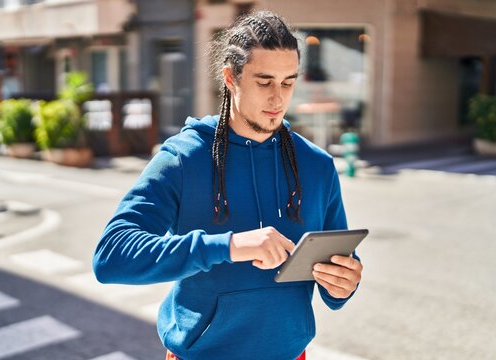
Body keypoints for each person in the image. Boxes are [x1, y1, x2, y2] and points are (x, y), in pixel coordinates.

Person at [93, 10, 363, 360]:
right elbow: (111, 257)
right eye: (264, 82)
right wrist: (229, 246)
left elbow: (335, 278)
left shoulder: (317, 166)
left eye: (288, 82)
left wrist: (344, 284)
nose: (278, 98)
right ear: (230, 78)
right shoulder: (183, 159)